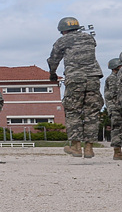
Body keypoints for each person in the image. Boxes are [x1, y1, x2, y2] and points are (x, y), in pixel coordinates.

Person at [47, 17, 103, 158]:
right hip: (93, 78)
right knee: (92, 113)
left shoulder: (62, 41)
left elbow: (53, 59)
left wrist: (53, 74)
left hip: (75, 79)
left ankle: (76, 147)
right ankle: (89, 148)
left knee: (73, 112)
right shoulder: (89, 38)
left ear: (63, 30)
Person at [104, 57, 122, 161]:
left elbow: (108, 96)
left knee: (116, 130)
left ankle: (117, 152)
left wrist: (110, 109)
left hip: (114, 108)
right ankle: (117, 152)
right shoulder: (114, 79)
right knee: (117, 130)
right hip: (116, 108)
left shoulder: (109, 79)